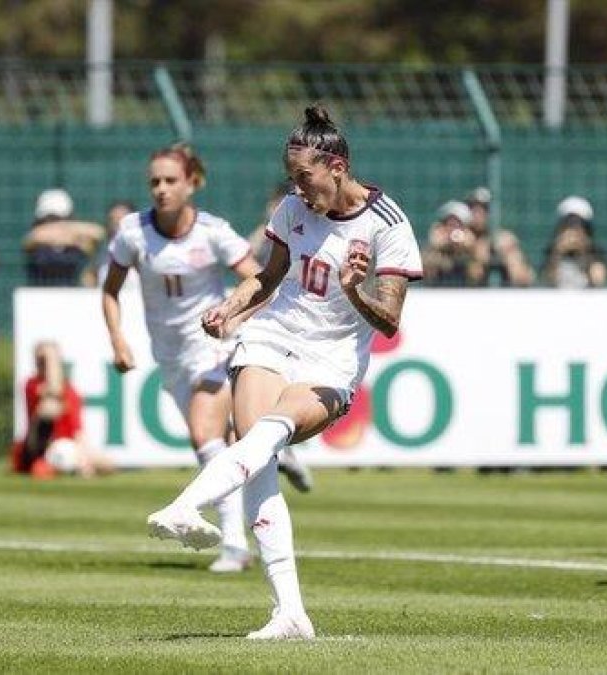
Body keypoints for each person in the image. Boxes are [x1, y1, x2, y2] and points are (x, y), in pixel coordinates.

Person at [146, 105, 423, 639]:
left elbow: (388, 321)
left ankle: (186, 505)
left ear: (337, 166)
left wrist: (352, 289)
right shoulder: (292, 210)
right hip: (273, 337)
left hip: (333, 358)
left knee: (270, 433)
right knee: (256, 447)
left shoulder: (388, 224)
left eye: (306, 177)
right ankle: (289, 612)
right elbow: (267, 276)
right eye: (292, 176)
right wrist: (229, 308)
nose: (297, 188)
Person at [102, 143, 312, 575]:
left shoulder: (213, 231)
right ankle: (271, 450)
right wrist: (118, 340)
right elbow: (109, 289)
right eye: (154, 181)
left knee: (204, 435)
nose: (161, 189)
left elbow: (262, 280)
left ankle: (234, 543)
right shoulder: (132, 232)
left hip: (213, 343)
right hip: (171, 353)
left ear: (191, 184)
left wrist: (234, 319)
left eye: (170, 181)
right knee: (219, 441)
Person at [12, 341, 114, 478]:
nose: (44, 364)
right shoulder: (31, 384)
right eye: (41, 360)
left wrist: (84, 457)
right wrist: (51, 356)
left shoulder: (71, 392)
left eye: (47, 360)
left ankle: (75, 467)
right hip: (39, 446)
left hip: (68, 446)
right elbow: (53, 391)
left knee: (106, 463)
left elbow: (78, 430)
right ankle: (61, 466)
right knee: (50, 407)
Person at [23, 188, 106, 287]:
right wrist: (72, 239)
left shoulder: (82, 240)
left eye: (57, 219)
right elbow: (33, 238)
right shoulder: (35, 239)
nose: (54, 224)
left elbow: (98, 233)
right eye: (49, 219)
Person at [462, 187, 534, 287]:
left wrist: (508, 253)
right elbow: (472, 277)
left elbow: (523, 279)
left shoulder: (502, 240)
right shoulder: (461, 239)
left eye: (484, 209)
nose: (478, 214)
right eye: (473, 209)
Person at [540, 197, 607, 287]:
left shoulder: (596, 252)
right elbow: (548, 280)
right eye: (568, 224)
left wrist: (584, 251)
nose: (573, 230)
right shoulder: (552, 251)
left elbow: (598, 280)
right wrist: (557, 253)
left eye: (578, 225)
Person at [420, 200, 485, 286]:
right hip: (442, 267)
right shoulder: (438, 230)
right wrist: (448, 242)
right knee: (429, 260)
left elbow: (473, 246)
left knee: (476, 268)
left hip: (463, 267)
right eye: (450, 221)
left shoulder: (468, 233)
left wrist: (462, 245)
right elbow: (435, 242)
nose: (453, 224)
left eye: (457, 222)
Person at [85, 200, 136, 287]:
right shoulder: (102, 253)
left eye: (121, 219)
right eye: (113, 219)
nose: (117, 223)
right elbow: (89, 277)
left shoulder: (144, 251)